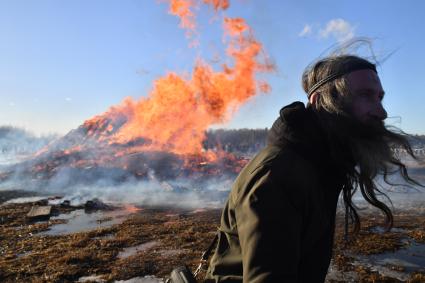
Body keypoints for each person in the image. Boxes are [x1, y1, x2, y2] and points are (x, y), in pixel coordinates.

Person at [204, 54, 420, 282]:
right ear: (320, 102)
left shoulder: (319, 163)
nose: (382, 112)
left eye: (380, 97)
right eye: (366, 95)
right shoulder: (279, 173)